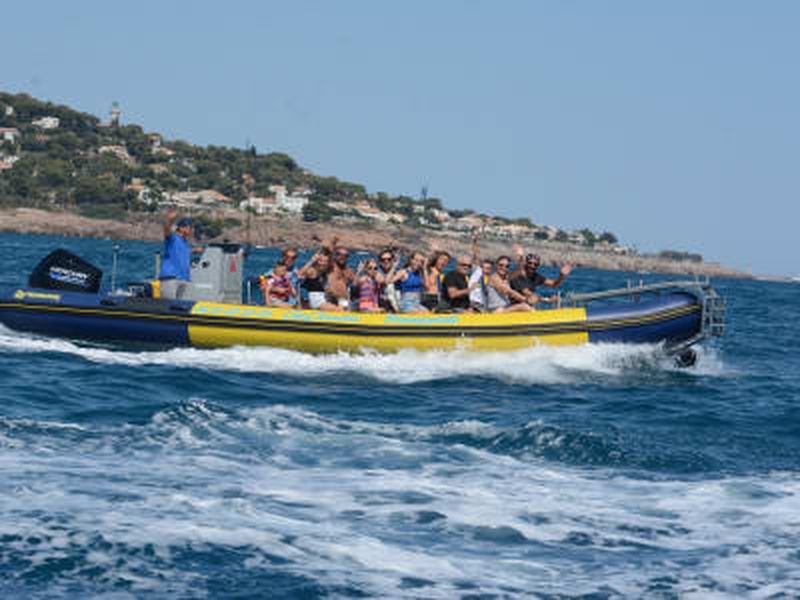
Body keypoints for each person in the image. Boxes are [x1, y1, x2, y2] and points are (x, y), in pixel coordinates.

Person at [159, 208, 202, 300]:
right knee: (169, 306)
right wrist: (170, 220)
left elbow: (184, 253)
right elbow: (166, 230)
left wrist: (194, 251)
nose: (191, 230)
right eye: (189, 227)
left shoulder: (185, 243)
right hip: (171, 279)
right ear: (182, 228)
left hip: (184, 279)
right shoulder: (173, 238)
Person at [326, 238, 356, 310]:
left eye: (345, 256)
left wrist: (361, 272)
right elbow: (328, 254)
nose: (342, 257)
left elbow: (355, 283)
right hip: (331, 299)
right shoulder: (331, 266)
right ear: (335, 255)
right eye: (339, 254)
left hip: (344, 300)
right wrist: (333, 243)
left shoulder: (348, 271)